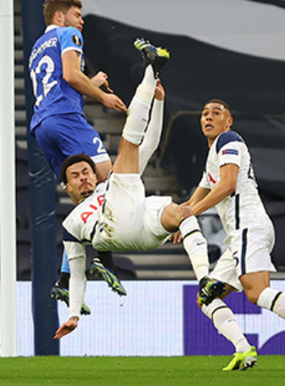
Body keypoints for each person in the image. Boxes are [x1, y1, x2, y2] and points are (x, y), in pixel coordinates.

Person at [54, 40, 214, 339]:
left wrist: (160, 102)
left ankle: (205, 279)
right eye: (76, 176)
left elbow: (150, 144)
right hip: (114, 228)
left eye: (87, 172)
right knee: (128, 147)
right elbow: (76, 273)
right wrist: (73, 314)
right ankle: (151, 68)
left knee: (181, 211)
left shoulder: (109, 186)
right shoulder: (72, 222)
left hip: (144, 228)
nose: (85, 178)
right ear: (67, 187)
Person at [188, 99, 285, 370]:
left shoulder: (229, 140)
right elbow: (196, 197)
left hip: (249, 226)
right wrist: (180, 220)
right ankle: (243, 349)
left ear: (229, 121)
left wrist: (192, 214)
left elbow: (227, 185)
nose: (208, 117)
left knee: (256, 292)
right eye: (204, 114)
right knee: (206, 297)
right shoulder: (213, 154)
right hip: (238, 237)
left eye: (216, 113)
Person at [28, 0, 128, 308]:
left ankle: (64, 278)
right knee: (109, 180)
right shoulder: (68, 35)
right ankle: (105, 259)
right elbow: (71, 75)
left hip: (42, 127)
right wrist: (102, 96)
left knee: (83, 194)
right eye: (76, 14)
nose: (81, 21)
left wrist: (91, 81)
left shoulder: (36, 48)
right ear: (59, 16)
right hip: (67, 120)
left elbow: (62, 81)